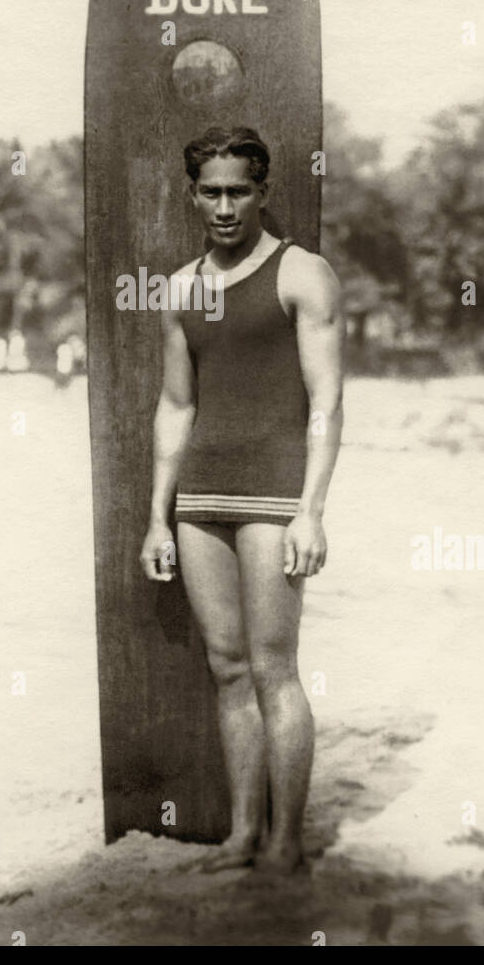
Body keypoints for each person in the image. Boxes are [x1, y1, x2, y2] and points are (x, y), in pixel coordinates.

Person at [139, 125, 344, 875]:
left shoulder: (302, 274)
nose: (224, 206)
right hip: (199, 498)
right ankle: (238, 835)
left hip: (271, 495)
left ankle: (286, 843)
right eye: (210, 192)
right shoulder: (179, 288)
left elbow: (326, 402)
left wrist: (310, 509)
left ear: (261, 193)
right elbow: (174, 406)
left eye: (238, 191)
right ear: (191, 195)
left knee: (272, 667)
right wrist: (156, 516)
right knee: (226, 668)